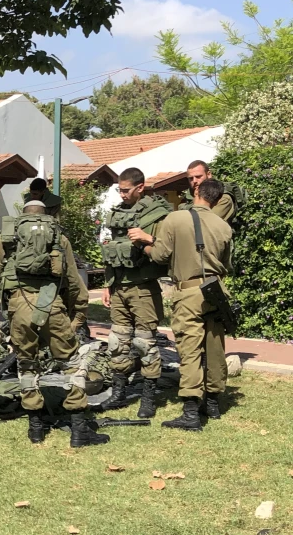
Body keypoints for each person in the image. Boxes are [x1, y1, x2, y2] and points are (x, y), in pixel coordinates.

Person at [0, 201, 102, 447]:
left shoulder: (7, 238)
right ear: (46, 216)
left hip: (18, 307)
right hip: (52, 306)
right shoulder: (59, 238)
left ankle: (35, 426)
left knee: (26, 364)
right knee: (71, 363)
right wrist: (79, 313)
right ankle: (79, 429)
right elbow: (74, 281)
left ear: (22, 216)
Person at [128, 179, 233, 431]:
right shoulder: (224, 226)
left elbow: (161, 254)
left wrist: (143, 244)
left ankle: (190, 411)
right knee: (215, 346)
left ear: (196, 191)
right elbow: (227, 264)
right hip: (216, 290)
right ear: (217, 200)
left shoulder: (175, 218)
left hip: (188, 292)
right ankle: (214, 403)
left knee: (189, 349)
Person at [99, 168, 172, 417]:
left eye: (126, 190)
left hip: (143, 288)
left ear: (140, 187)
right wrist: (108, 285)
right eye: (119, 190)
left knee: (145, 344)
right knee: (117, 342)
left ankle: (148, 398)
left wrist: (148, 238)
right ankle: (119, 393)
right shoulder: (119, 212)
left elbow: (168, 250)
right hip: (119, 287)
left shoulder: (159, 215)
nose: (122, 194)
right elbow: (113, 252)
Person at [179, 160, 240, 224]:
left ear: (208, 174)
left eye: (198, 177)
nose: (194, 181)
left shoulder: (223, 198)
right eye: (191, 178)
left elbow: (204, 223)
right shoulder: (190, 196)